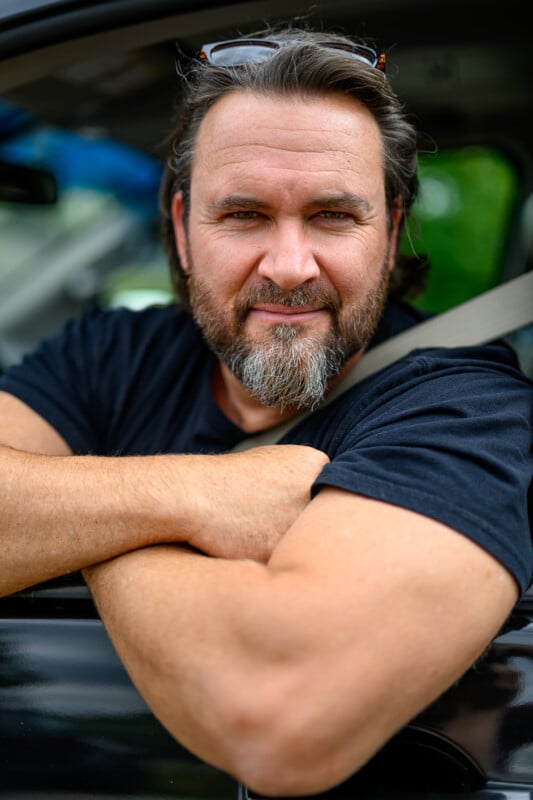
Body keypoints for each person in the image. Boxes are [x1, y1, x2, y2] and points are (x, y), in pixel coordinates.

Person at [0, 26, 531, 797]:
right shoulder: (115, 350)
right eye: (243, 215)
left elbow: (280, 714)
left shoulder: (467, 407)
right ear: (182, 233)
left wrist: (79, 516)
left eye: (331, 216)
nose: (288, 266)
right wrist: (191, 498)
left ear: (388, 236)